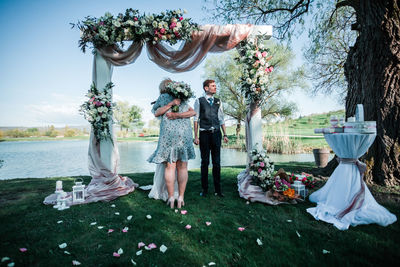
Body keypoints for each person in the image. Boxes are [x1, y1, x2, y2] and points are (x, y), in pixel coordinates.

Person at [148, 79, 196, 208]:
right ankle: (180, 197)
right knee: (183, 167)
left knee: (170, 166)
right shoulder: (182, 97)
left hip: (169, 135)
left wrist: (175, 113)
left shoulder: (163, 97)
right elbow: (192, 112)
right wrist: (175, 107)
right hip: (184, 134)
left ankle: (171, 198)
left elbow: (156, 112)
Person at [193, 79, 229, 197]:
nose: (215, 88)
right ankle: (204, 189)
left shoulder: (219, 102)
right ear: (206, 88)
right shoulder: (199, 101)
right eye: (213, 86)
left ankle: (218, 190)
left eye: (215, 86)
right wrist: (196, 136)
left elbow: (221, 119)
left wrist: (225, 134)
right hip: (204, 135)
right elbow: (196, 119)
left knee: (217, 162)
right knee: (204, 162)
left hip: (216, 134)